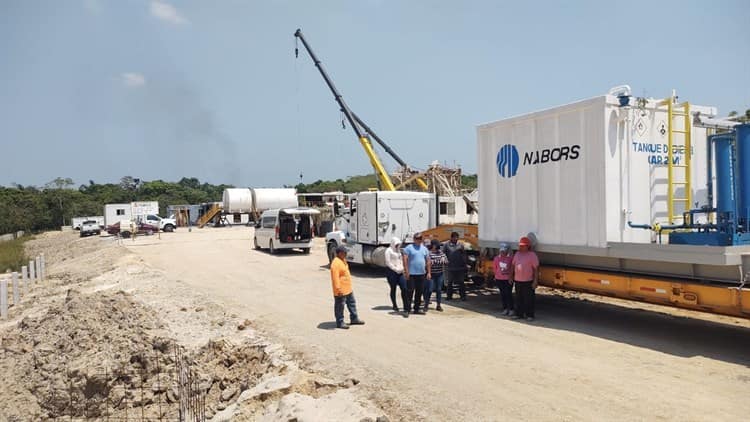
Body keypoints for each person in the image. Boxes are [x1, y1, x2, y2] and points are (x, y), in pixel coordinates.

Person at [330, 245, 365, 329]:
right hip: (340, 290)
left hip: (348, 288)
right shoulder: (335, 263)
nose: (346, 254)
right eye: (344, 252)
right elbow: (335, 278)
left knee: (352, 303)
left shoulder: (343, 260)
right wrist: (338, 289)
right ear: (339, 253)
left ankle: (354, 318)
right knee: (340, 306)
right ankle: (340, 322)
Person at [509, 236, 540, 321]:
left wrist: (535, 281)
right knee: (518, 298)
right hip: (518, 280)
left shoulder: (532, 255)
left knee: (529, 299)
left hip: (528, 281)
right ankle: (519, 314)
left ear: (528, 246)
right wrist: (511, 276)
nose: (521, 247)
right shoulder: (517, 254)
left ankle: (530, 315)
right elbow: (513, 266)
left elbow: (536, 269)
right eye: (520, 246)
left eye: (523, 246)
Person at [402, 232, 431, 315]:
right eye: (417, 238)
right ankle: (407, 309)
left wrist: (429, 272)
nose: (419, 240)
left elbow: (428, 261)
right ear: (414, 239)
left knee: (419, 292)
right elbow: (405, 260)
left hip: (421, 274)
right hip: (411, 274)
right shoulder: (409, 248)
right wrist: (406, 271)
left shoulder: (424, 249)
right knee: (410, 292)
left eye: (420, 238)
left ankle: (416, 309)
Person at [385, 237, 408, 315]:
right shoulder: (388, 251)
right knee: (393, 288)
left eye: (399, 244)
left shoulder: (399, 251)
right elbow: (388, 262)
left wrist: (402, 268)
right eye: (396, 244)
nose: (398, 245)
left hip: (400, 272)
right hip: (392, 272)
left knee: (404, 288)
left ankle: (406, 307)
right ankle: (394, 304)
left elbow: (401, 260)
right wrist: (395, 269)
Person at [443, 232, 467, 301]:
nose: (456, 239)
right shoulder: (446, 245)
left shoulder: (461, 244)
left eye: (457, 237)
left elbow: (464, 254)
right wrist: (445, 260)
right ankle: (449, 296)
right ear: (451, 238)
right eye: (455, 237)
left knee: (461, 282)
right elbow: (443, 254)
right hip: (450, 267)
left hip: (460, 267)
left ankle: (463, 296)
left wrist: (465, 264)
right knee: (450, 282)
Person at [425, 239, 448, 312]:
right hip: (431, 274)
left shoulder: (441, 252)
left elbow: (446, 261)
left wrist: (436, 261)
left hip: (439, 274)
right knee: (430, 289)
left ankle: (438, 305)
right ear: (433, 245)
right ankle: (426, 304)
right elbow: (428, 263)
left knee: (439, 290)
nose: (438, 246)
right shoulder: (429, 253)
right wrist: (439, 261)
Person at [493, 243, 514, 315]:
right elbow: (495, 268)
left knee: (508, 294)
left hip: (507, 279)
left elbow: (512, 268)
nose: (502, 252)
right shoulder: (496, 258)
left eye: (504, 251)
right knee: (502, 294)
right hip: (499, 279)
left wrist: (511, 277)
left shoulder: (510, 258)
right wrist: (496, 276)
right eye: (501, 251)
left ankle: (511, 309)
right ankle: (505, 308)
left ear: (507, 251)